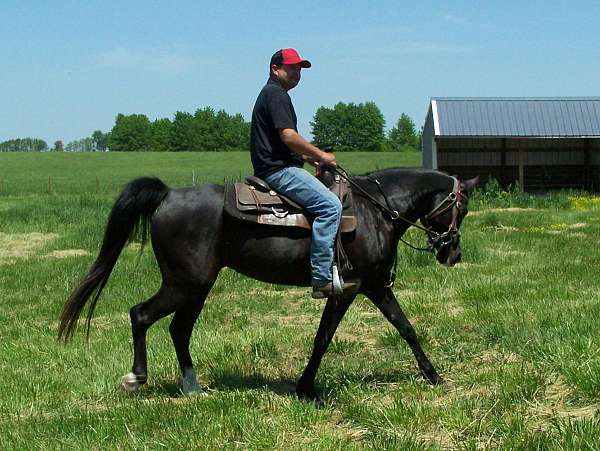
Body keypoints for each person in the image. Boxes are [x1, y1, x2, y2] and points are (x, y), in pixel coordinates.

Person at [250, 48, 356, 299]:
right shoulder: (276, 94)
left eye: (299, 68)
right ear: (275, 69)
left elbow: (284, 143)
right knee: (330, 206)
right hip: (278, 171)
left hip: (278, 165)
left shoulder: (274, 94)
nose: (297, 72)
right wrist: (321, 155)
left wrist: (308, 159)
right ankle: (321, 278)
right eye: (291, 67)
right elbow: (288, 136)